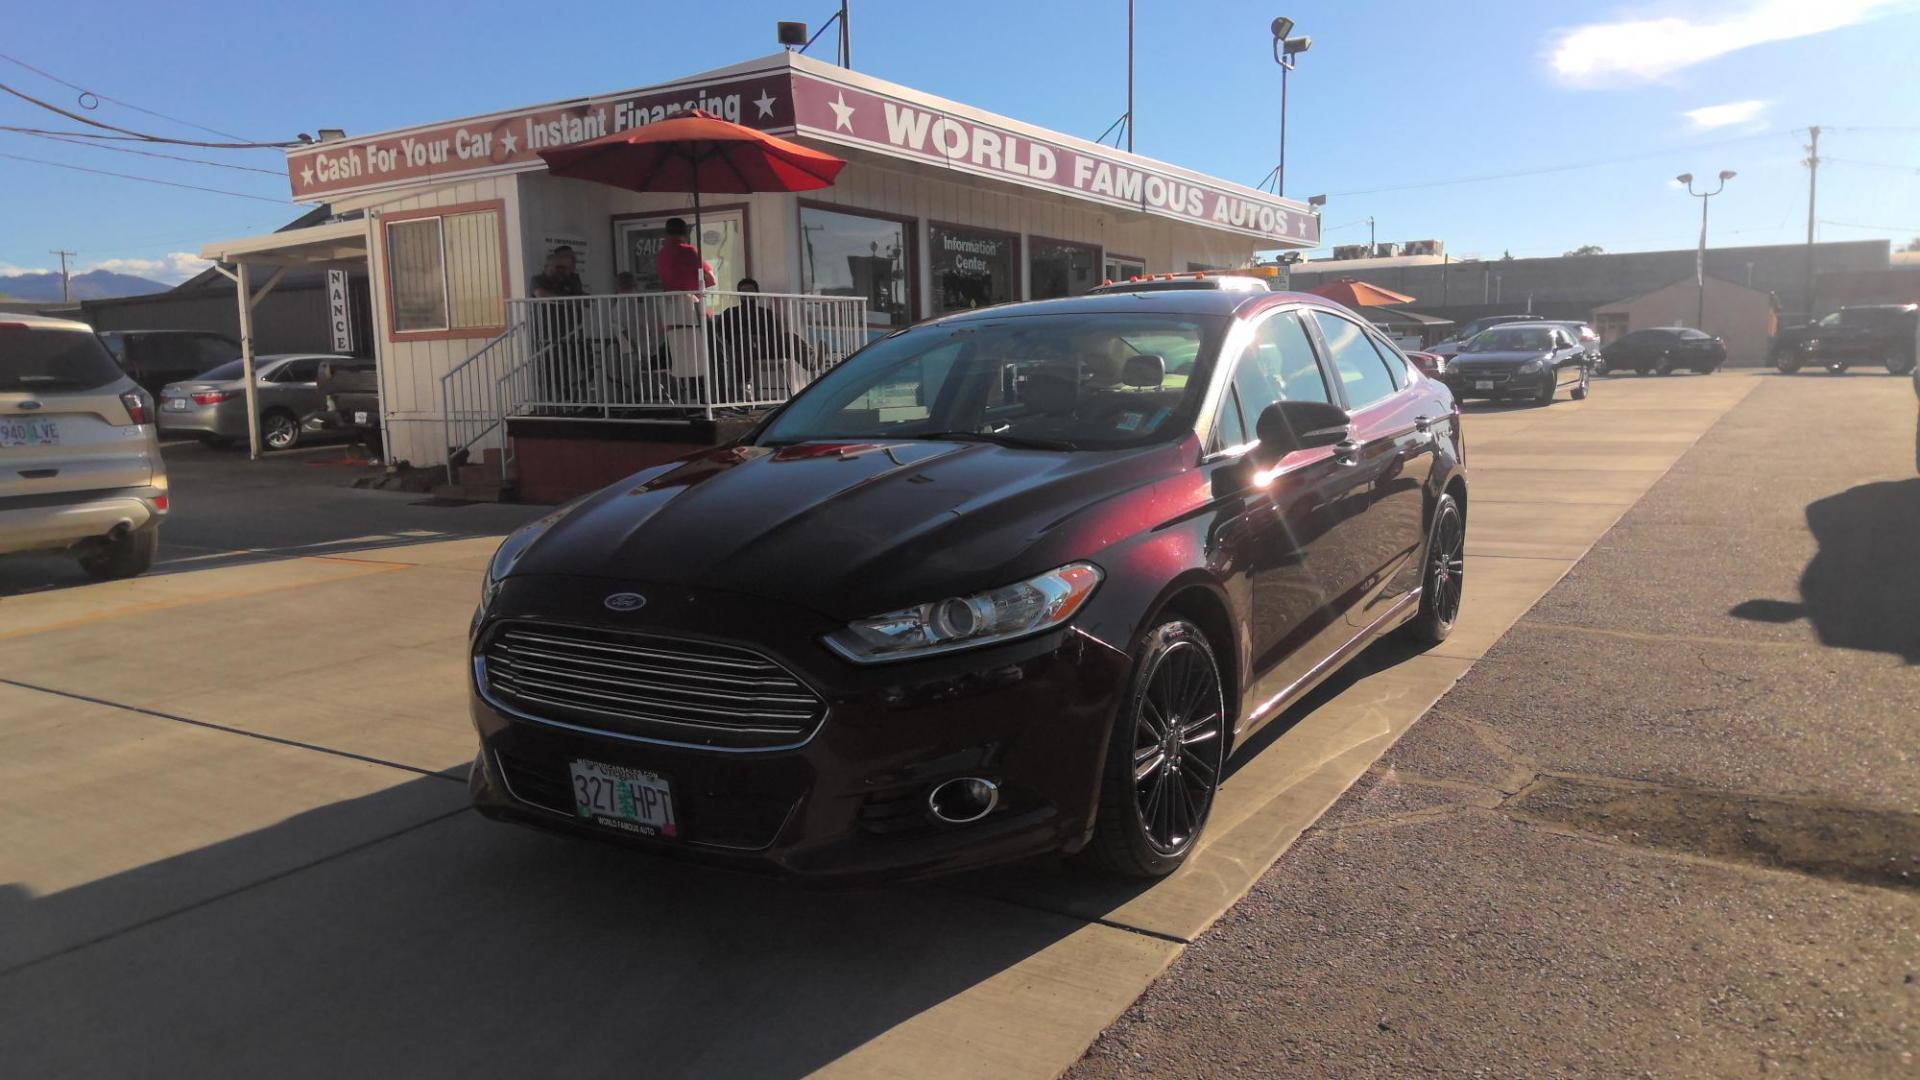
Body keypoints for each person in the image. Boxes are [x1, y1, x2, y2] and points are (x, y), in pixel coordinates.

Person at [654, 218, 715, 293]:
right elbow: (711, 279)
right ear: (686, 233)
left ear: (666, 234)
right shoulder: (690, 251)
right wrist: (698, 293)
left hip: (669, 300)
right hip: (689, 301)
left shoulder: (661, 255)